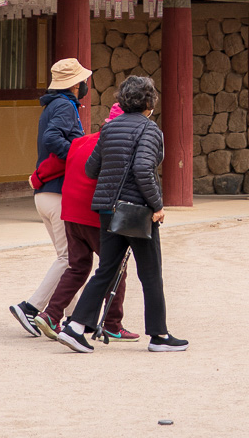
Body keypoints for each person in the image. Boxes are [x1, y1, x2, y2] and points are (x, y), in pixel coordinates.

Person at [56, 75, 187, 353]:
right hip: (137, 211)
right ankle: (159, 336)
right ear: (149, 102)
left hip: (107, 209)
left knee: (106, 270)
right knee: (150, 273)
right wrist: (157, 205)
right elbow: (143, 170)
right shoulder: (150, 130)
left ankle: (76, 327)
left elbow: (92, 169)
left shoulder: (109, 129)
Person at [35, 103, 133, 341]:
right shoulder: (117, 144)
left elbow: (57, 165)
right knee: (115, 266)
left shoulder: (80, 142)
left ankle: (50, 314)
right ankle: (112, 323)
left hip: (69, 212)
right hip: (94, 215)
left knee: (77, 267)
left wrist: (36, 180)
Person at [10, 57, 89, 337]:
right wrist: (79, 156)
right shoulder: (66, 106)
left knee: (68, 259)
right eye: (82, 81)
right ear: (74, 85)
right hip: (57, 193)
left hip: (45, 193)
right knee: (69, 260)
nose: (85, 85)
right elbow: (53, 140)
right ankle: (31, 307)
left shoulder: (53, 106)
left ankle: (68, 318)